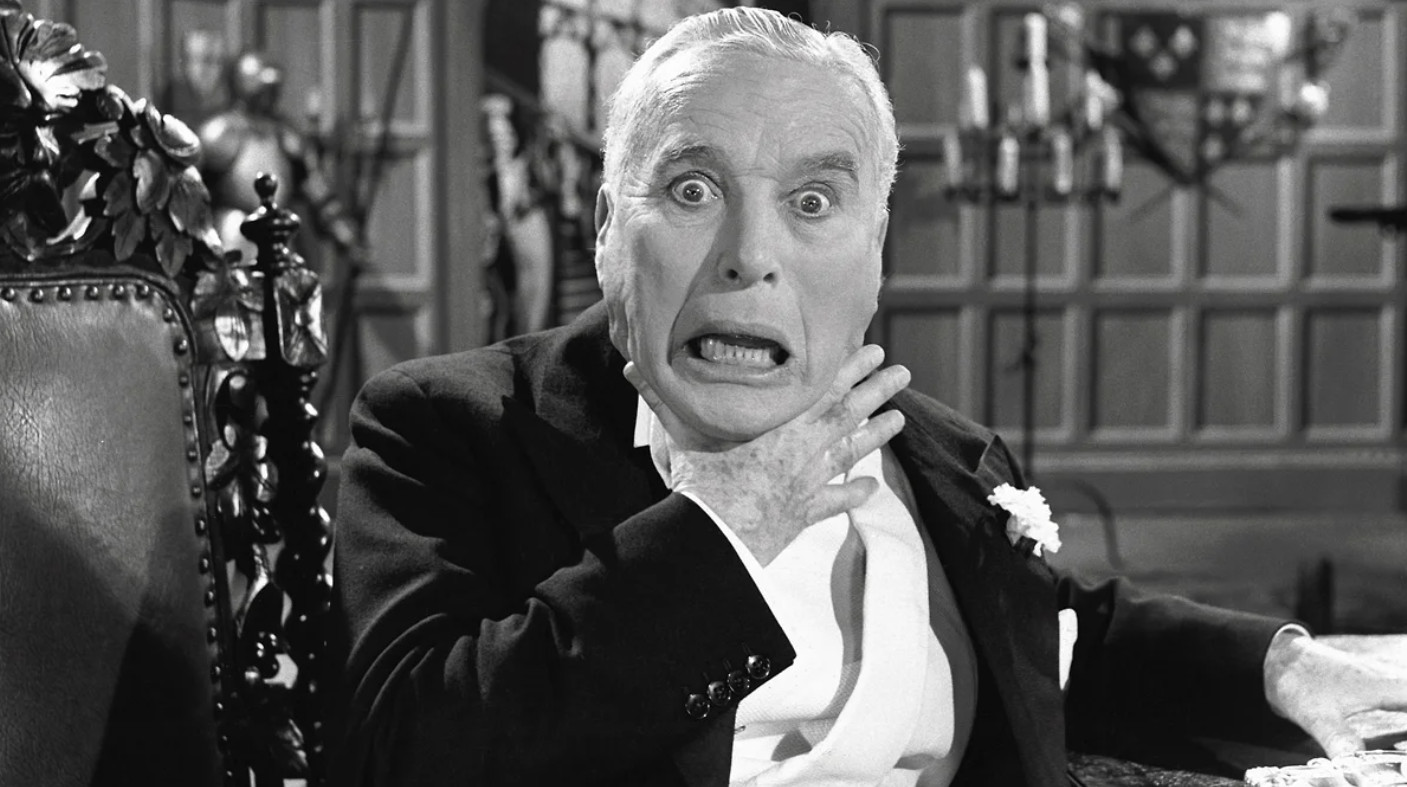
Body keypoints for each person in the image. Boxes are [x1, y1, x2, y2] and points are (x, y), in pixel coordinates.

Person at [325, 8, 1407, 786]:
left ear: (875, 251)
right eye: (693, 190)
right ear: (610, 228)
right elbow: (406, 745)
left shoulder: (948, 455)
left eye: (812, 201)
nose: (750, 255)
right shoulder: (446, 429)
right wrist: (724, 519)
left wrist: (1283, 669)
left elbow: (1056, 636)